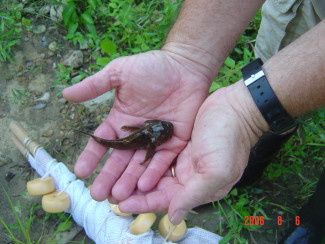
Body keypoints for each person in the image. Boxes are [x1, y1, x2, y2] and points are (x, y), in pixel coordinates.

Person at [63, 0, 325, 242]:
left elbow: (147, 137)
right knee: (277, 59)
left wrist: (246, 115)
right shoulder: (145, 135)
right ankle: (254, 157)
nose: (166, 130)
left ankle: (315, 220)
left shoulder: (146, 134)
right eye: (160, 131)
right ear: (149, 133)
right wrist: (189, 56)